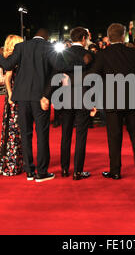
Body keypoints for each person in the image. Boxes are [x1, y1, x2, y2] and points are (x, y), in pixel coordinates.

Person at [0, 29, 66, 183]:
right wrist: (46, 95)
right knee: (42, 135)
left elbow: (8, 64)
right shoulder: (49, 47)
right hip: (40, 97)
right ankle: (41, 173)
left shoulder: (22, 46)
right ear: (46, 36)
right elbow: (58, 70)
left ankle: (29, 171)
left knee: (26, 135)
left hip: (22, 97)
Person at [86, 23, 135, 180]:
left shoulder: (103, 55)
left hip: (112, 100)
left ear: (109, 37)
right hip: (132, 98)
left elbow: (92, 76)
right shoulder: (134, 53)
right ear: (123, 36)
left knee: (114, 135)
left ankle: (116, 170)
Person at [52, 27, 93, 181]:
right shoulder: (90, 55)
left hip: (66, 96)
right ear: (83, 38)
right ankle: (77, 171)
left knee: (66, 134)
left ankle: (64, 169)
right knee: (81, 135)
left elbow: (56, 72)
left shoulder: (63, 54)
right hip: (83, 96)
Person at [0, 35, 24, 177]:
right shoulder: (11, 59)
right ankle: (12, 164)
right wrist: (10, 95)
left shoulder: (14, 58)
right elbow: (8, 78)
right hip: (14, 100)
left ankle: (18, 162)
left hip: (17, 97)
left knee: (17, 131)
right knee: (14, 131)